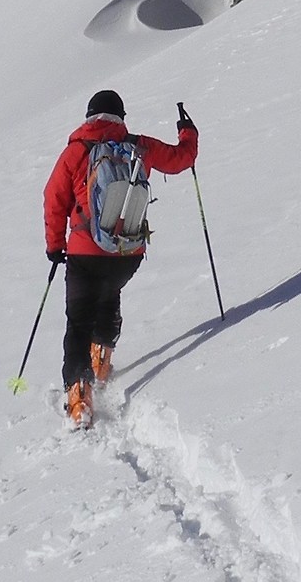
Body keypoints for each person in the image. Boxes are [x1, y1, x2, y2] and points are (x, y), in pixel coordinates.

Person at [42, 89, 198, 427]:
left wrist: (55, 246)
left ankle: (80, 391)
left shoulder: (75, 152)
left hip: (85, 251)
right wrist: (188, 133)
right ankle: (102, 355)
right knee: (110, 292)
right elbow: (181, 159)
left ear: (89, 117)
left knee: (79, 320)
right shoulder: (138, 145)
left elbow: (53, 198)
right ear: (120, 118)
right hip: (127, 252)